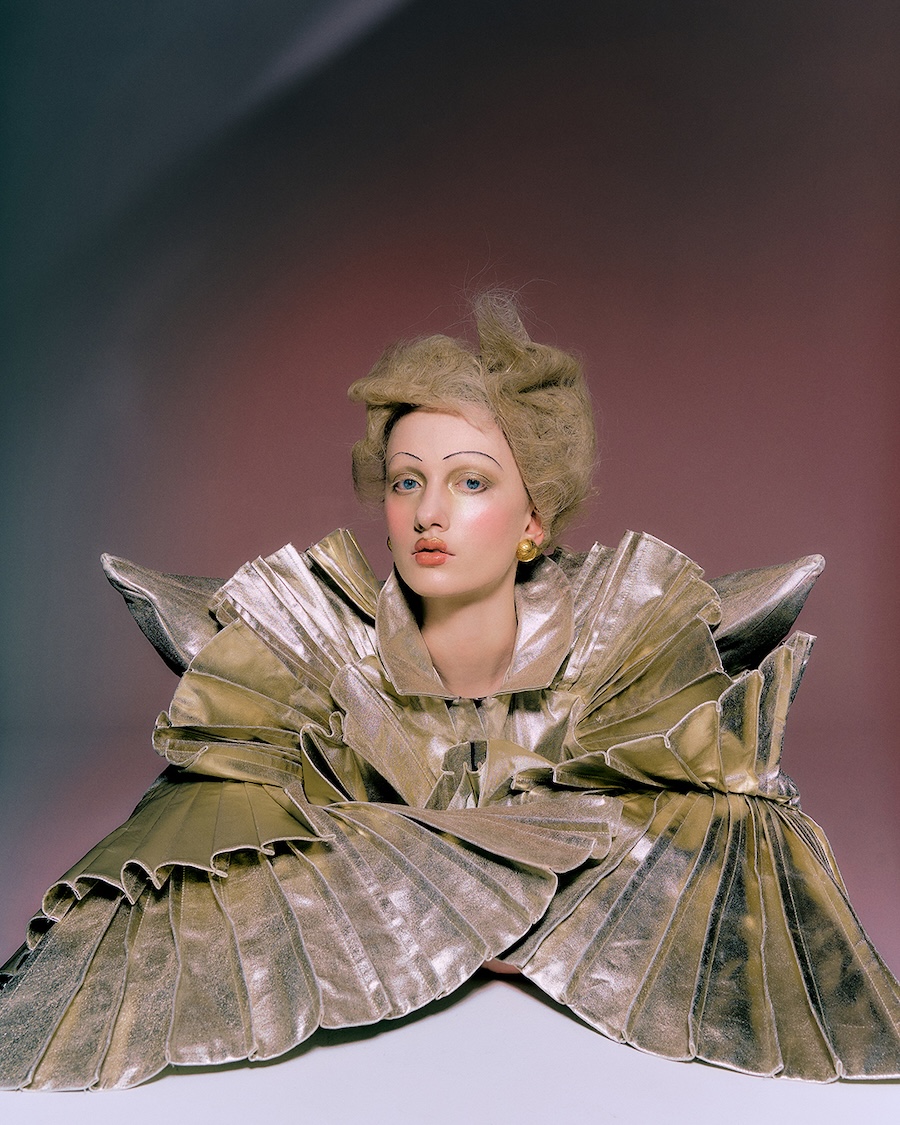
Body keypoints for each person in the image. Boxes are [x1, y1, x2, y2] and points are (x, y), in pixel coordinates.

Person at [1, 295, 898, 1090]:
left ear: (532, 518)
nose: (429, 512)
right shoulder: (314, 662)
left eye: (471, 481)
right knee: (195, 845)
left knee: (736, 820)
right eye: (407, 481)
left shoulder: (619, 648)